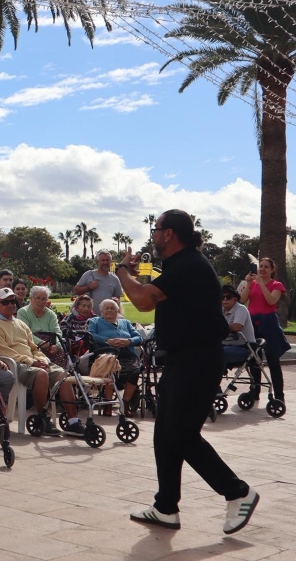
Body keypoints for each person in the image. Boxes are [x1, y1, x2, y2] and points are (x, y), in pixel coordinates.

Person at [117, 209, 257, 534]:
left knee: (181, 434)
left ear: (169, 234)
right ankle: (166, 507)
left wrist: (123, 270)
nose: (153, 234)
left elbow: (141, 300)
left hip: (198, 361)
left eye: (156, 229)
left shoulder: (189, 265)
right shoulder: (181, 265)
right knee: (165, 433)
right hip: (184, 360)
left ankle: (238, 493)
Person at [0, 287, 85, 437]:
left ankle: (73, 422)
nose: (11, 305)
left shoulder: (20, 323)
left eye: (13, 301)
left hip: (32, 361)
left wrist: (41, 358)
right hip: (14, 364)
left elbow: (33, 346)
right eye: (6, 302)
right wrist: (32, 362)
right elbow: (3, 352)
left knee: (64, 376)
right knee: (41, 374)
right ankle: (41, 417)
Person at [240, 257, 289, 402]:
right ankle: (254, 391)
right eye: (260, 266)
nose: (262, 269)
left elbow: (271, 301)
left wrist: (261, 284)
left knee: (273, 360)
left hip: (269, 323)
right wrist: (249, 283)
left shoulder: (276, 285)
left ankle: (279, 395)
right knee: (254, 359)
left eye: (266, 267)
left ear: (272, 270)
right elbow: (242, 300)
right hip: (253, 322)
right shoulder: (252, 283)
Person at [87, 299, 142, 415]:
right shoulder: (95, 321)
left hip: (127, 354)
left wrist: (128, 341)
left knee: (135, 371)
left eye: (112, 308)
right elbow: (90, 335)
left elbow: (139, 337)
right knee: (110, 370)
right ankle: (108, 404)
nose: (109, 310)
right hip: (107, 354)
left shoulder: (125, 322)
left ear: (117, 310)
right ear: (101, 311)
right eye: (106, 308)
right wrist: (108, 340)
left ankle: (125, 404)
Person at [221, 285, 256, 366]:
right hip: (225, 345)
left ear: (235, 299)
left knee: (216, 353)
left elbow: (237, 327)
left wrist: (219, 325)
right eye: (222, 297)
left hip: (244, 347)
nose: (225, 299)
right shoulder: (220, 310)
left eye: (228, 297)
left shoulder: (241, 309)